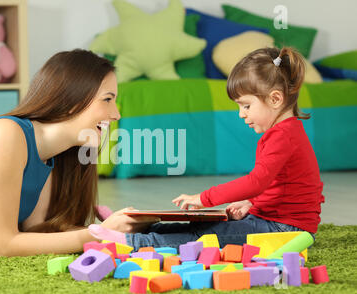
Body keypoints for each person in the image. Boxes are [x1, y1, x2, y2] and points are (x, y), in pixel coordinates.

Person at [0, 49, 159, 256]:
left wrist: (120, 226)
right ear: (72, 100)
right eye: (107, 99)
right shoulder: (4, 136)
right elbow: (3, 246)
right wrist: (101, 234)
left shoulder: (54, 155)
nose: (116, 114)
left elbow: (35, 233)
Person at [89, 47, 325, 250]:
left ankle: (132, 243)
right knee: (202, 225)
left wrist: (205, 198)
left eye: (246, 106)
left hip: (286, 230)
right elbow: (281, 185)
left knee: (205, 237)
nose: (242, 114)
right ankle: (135, 230)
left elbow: (257, 181)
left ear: (275, 99)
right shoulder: (283, 133)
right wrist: (252, 203)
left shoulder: (284, 136)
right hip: (274, 220)